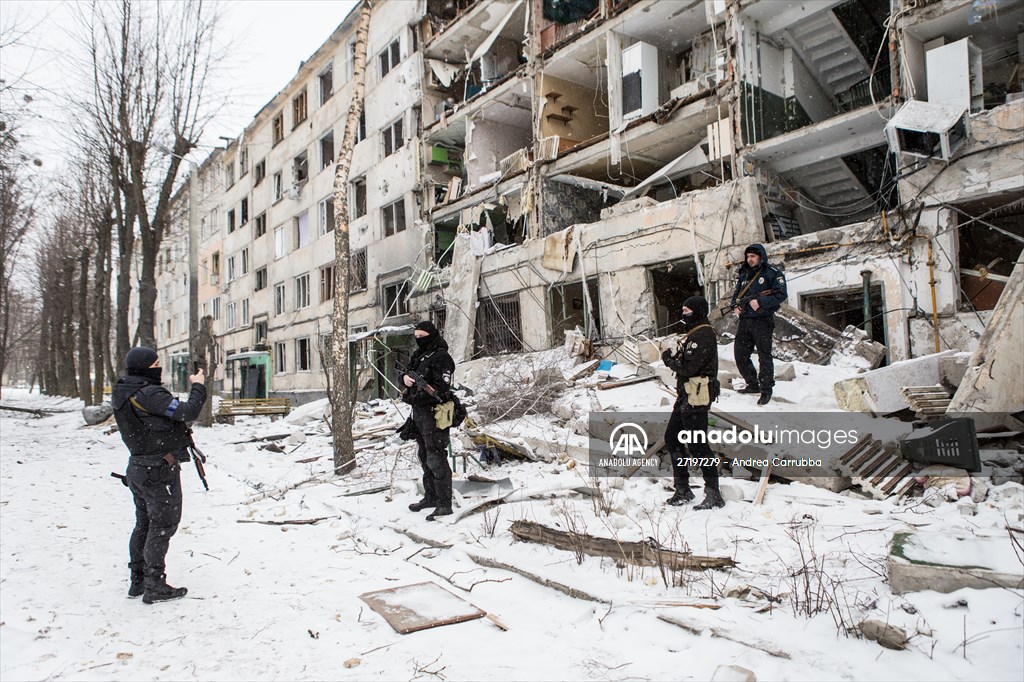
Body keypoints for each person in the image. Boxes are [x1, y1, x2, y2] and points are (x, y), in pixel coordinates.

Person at [111, 347, 206, 604]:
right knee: (162, 525)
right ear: (145, 368)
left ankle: (138, 580)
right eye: (155, 364)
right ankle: (154, 584)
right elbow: (188, 412)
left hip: (139, 467)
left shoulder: (123, 390)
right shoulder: (149, 393)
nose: (158, 369)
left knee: (144, 524)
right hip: (158, 470)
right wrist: (198, 386)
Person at [662, 296, 724, 510]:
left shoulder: (703, 334)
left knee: (698, 444)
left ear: (697, 311)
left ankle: (713, 492)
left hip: (696, 397)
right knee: (672, 438)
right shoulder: (693, 333)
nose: (683, 314)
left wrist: (669, 360)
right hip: (685, 396)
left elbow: (689, 368)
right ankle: (682, 488)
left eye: (687, 311)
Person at [400, 321, 456, 521]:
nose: (419, 340)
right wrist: (405, 379)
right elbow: (406, 373)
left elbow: (441, 389)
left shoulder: (441, 357)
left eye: (422, 337)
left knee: (436, 458)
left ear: (432, 336)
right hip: (419, 415)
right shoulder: (419, 355)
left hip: (435, 414)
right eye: (416, 337)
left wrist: (418, 398)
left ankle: (444, 504)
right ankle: (431, 497)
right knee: (424, 456)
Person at [730, 244, 787, 405]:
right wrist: (735, 306)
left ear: (761, 257)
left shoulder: (772, 273)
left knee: (764, 356)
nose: (750, 259)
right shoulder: (744, 274)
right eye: (748, 256)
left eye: (753, 256)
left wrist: (761, 302)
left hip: (763, 320)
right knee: (740, 354)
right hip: (745, 320)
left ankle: (766, 389)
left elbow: (781, 294)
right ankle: (752, 383)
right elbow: (737, 294)